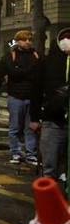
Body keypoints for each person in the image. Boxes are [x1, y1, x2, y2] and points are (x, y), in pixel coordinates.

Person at [30, 28, 70, 188]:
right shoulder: (46, 63)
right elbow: (36, 91)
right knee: (50, 165)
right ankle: (49, 205)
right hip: (53, 121)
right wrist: (34, 118)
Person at [1, 30, 41, 165]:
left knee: (30, 127)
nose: (28, 42)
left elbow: (39, 73)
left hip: (32, 96)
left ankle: (31, 153)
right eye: (24, 40)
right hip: (16, 96)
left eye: (29, 40)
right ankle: (15, 152)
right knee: (15, 127)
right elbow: (12, 72)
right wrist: (29, 70)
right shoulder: (11, 55)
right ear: (17, 41)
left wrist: (22, 71)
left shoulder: (36, 55)